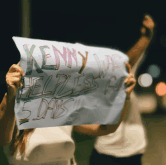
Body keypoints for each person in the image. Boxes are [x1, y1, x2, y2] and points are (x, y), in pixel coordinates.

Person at [0, 59, 136, 165]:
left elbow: (105, 128)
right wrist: (12, 95)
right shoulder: (13, 104)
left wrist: (124, 97)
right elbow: (2, 138)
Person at [89, 14, 155, 165]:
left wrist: (146, 37)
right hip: (107, 150)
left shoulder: (121, 73)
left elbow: (129, 61)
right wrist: (146, 37)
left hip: (131, 149)